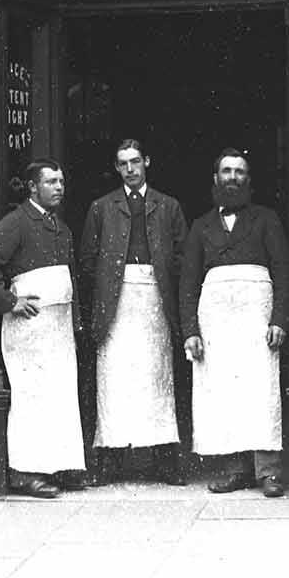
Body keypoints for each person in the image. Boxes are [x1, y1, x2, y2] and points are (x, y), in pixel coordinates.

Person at [0, 159, 85, 498]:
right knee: (31, 397)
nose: (59, 187)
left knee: (58, 395)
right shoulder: (17, 222)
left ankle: (58, 466)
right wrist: (9, 301)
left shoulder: (60, 228)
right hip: (30, 328)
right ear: (33, 187)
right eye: (51, 182)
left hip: (58, 328)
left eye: (62, 181)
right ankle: (26, 473)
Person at [180, 149, 289, 497]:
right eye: (226, 171)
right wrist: (190, 332)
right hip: (216, 320)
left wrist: (279, 319)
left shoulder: (266, 219)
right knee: (224, 391)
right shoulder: (200, 226)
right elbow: (187, 281)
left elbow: (284, 272)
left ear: (248, 180)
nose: (232, 177)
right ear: (216, 179)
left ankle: (268, 471)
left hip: (256, 318)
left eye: (239, 172)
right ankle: (235, 469)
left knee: (260, 389)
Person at [77, 138, 188, 485]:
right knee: (115, 377)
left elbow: (182, 257)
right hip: (115, 301)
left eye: (136, 161)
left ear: (147, 162)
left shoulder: (168, 206)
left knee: (157, 376)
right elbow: (88, 260)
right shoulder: (102, 207)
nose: (130, 169)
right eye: (123, 163)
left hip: (155, 298)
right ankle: (110, 460)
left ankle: (165, 460)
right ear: (116, 168)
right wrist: (111, 285)